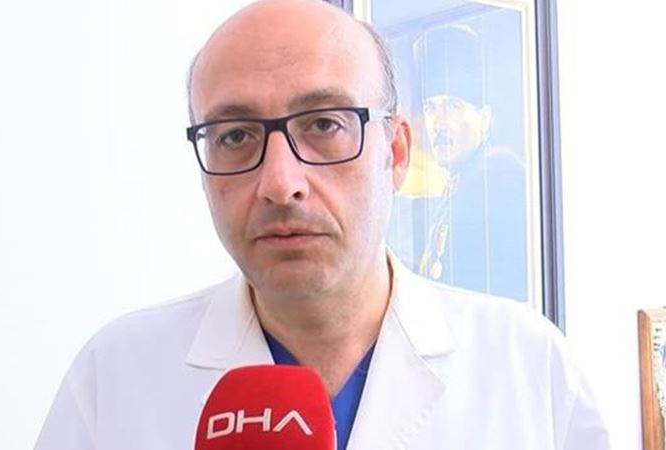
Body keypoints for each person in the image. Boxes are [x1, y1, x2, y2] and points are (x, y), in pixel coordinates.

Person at [34, 1, 610, 449]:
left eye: (324, 125)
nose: (280, 182)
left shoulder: (529, 368)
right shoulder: (116, 377)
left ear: (396, 152)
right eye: (235, 136)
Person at [389, 23, 528, 301]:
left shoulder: (500, 179)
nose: (438, 123)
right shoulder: (459, 183)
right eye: (431, 108)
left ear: (484, 119)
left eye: (452, 106)